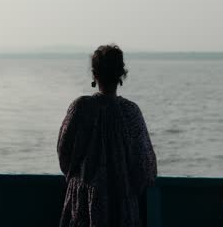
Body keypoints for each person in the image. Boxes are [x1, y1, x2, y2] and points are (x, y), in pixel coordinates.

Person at [57, 44, 157, 227]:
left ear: (94, 74)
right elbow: (145, 166)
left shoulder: (80, 108)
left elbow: (64, 154)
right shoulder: (131, 112)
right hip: (122, 205)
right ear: (121, 75)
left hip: (83, 204)